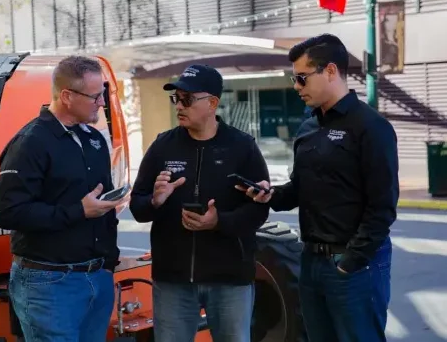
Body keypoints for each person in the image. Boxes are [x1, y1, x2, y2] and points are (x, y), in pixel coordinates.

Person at [238, 34, 398, 342]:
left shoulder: (371, 127)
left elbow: (383, 206)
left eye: (301, 78)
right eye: (293, 78)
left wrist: (351, 262)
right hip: (310, 261)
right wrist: (270, 195)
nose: (296, 87)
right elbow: (300, 189)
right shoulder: (308, 127)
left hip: (354, 266)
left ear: (330, 71)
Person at [129, 64, 271, 342]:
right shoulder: (162, 146)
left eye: (187, 99)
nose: (179, 106)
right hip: (173, 280)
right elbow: (137, 206)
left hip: (230, 279)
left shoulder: (242, 147)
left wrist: (219, 222)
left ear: (212, 103)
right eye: (176, 98)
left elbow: (259, 210)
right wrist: (155, 201)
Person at [0, 55, 127, 342]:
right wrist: (77, 211)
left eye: (102, 94)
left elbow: (101, 206)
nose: (102, 103)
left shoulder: (94, 140)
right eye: (95, 97)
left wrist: (108, 265)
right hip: (50, 284)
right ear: (67, 96)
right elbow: (8, 213)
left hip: (97, 277)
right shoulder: (30, 143)